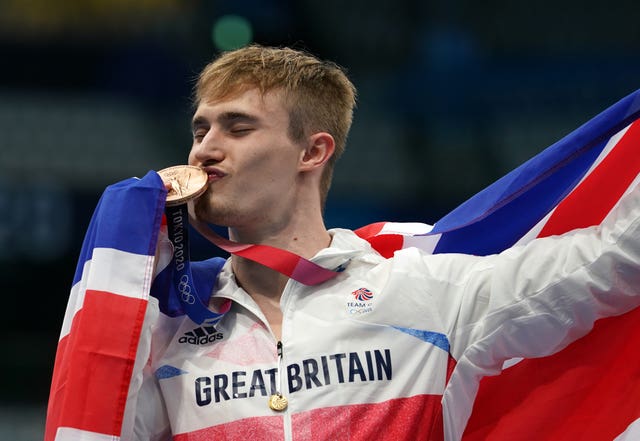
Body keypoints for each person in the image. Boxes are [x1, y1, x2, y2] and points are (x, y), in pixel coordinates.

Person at [130, 44, 640, 440]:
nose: (206, 150)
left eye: (237, 128)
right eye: (200, 130)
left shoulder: (422, 293)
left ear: (312, 152)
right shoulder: (169, 320)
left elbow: (612, 259)